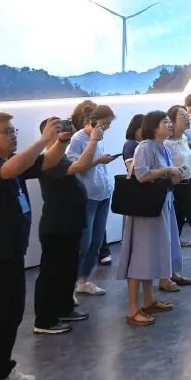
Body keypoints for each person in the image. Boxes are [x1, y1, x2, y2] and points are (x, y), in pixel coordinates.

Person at [0, 112, 63, 380]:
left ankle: (2, 370)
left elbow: (48, 162)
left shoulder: (11, 163)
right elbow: (9, 171)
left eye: (14, 130)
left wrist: (61, 141)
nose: (13, 135)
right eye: (7, 131)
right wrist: (43, 139)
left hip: (11, 255)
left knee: (11, 316)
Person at [34, 117, 101, 335]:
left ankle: (64, 308)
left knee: (67, 270)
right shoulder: (49, 161)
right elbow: (81, 165)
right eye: (57, 130)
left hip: (70, 222)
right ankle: (45, 320)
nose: (63, 132)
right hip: (57, 225)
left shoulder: (60, 158)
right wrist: (93, 139)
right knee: (52, 273)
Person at [116, 111, 183, 327]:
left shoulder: (163, 147)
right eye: (165, 122)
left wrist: (174, 175)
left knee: (152, 254)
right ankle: (132, 309)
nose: (169, 124)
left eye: (169, 121)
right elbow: (142, 175)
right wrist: (167, 170)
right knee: (140, 256)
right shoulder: (144, 147)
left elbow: (161, 176)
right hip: (145, 210)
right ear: (153, 126)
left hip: (160, 205)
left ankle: (148, 300)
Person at [67, 102, 117, 298]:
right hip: (87, 197)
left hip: (102, 193)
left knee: (96, 242)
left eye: (108, 124)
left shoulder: (98, 138)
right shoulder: (78, 139)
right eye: (105, 123)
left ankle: (83, 281)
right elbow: (74, 166)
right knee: (84, 244)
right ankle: (69, 287)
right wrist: (98, 160)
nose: (107, 128)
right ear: (92, 121)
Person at [164, 106, 191, 252]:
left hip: (189, 178)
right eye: (182, 116)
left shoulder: (183, 138)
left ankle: (182, 238)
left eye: (187, 116)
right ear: (172, 121)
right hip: (176, 183)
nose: (187, 119)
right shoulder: (166, 143)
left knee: (188, 211)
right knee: (183, 212)